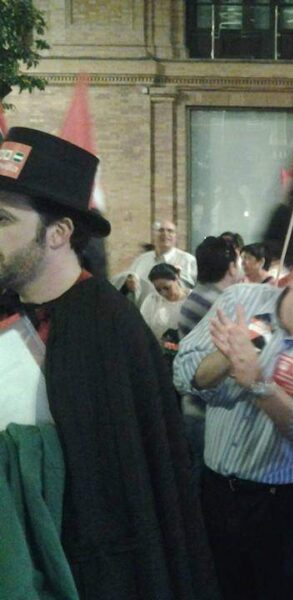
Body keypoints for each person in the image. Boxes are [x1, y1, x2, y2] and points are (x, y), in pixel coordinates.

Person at [0, 127, 217, 599]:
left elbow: (132, 495)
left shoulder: (111, 331)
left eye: (2, 219)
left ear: (58, 233)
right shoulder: (10, 309)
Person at [173, 235, 293, 600]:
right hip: (216, 491)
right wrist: (225, 360)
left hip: (284, 505)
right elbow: (183, 374)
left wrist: (261, 385)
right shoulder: (240, 301)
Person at [177, 235, 242, 490]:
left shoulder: (200, 296)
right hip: (205, 410)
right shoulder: (215, 304)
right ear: (230, 267)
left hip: (195, 407)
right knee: (205, 485)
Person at [128, 218, 197, 289]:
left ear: (176, 237)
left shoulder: (188, 261)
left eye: (170, 231)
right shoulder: (141, 260)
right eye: (161, 230)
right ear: (153, 235)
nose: (165, 234)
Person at [140, 263, 187, 339]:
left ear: (176, 278)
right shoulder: (152, 300)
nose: (163, 293)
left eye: (167, 288)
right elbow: (142, 328)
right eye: (158, 290)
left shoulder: (193, 300)